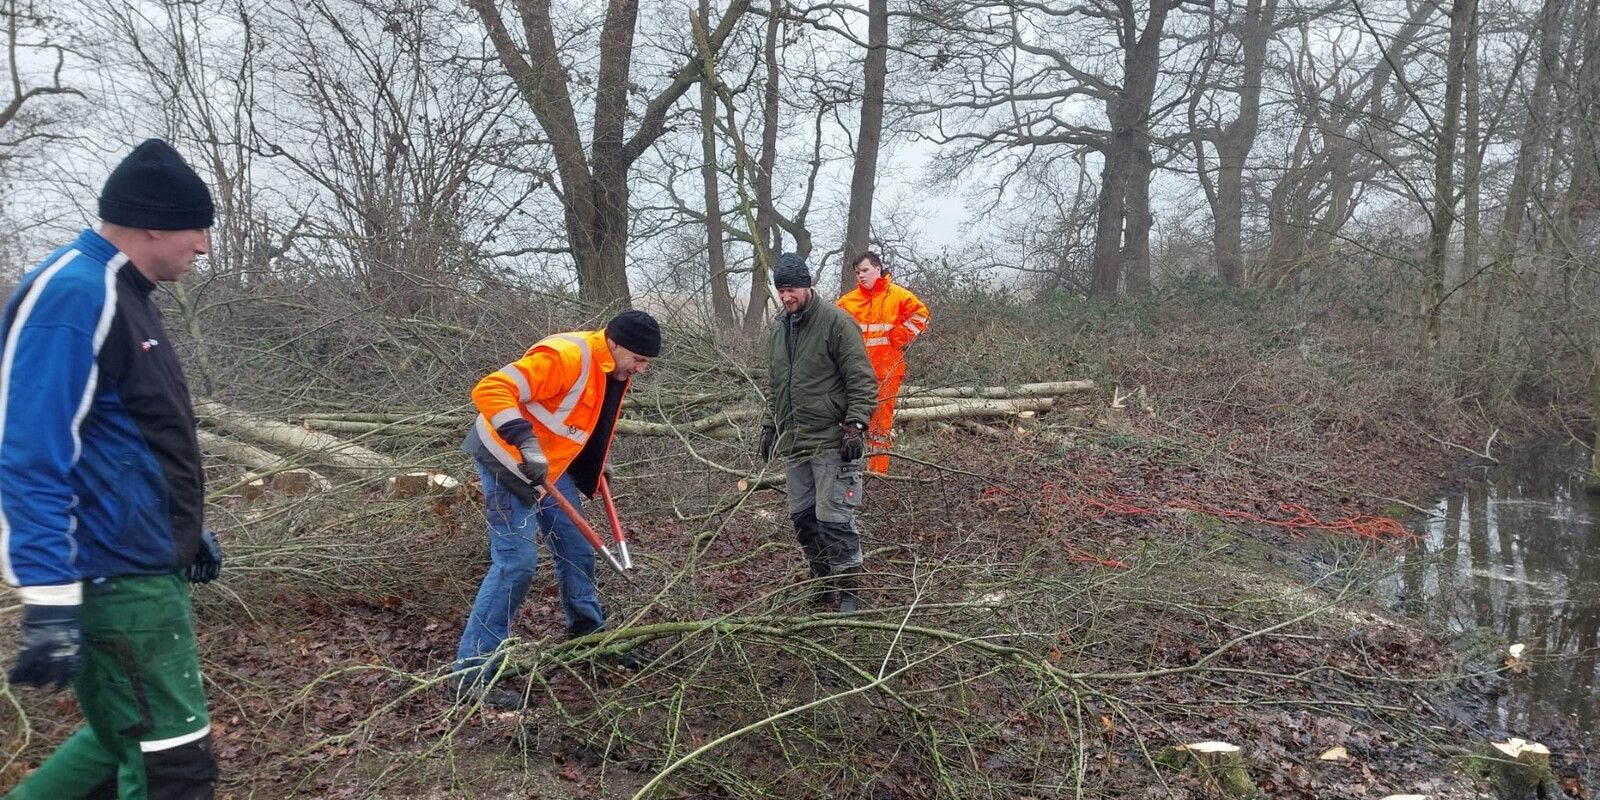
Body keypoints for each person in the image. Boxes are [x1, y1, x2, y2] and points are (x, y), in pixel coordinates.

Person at [2, 139, 224, 799]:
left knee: (115, 741)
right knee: (171, 767)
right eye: (198, 227)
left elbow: (132, 437)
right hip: (113, 576)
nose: (205, 246)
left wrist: (183, 529)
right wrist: (47, 596)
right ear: (153, 222)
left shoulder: (127, 294)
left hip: (140, 562)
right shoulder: (75, 294)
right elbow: (30, 451)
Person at [451, 310, 661, 709]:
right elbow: (491, 388)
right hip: (506, 460)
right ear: (615, 344)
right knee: (516, 563)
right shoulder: (567, 356)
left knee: (577, 547)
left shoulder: (612, 367)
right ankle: (470, 673)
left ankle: (587, 636)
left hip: (551, 464)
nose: (642, 370)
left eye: (646, 363)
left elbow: (578, 417)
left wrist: (595, 459)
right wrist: (526, 445)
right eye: (639, 360)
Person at [758, 253, 878, 613]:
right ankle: (823, 583)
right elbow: (777, 383)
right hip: (795, 439)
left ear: (807, 285)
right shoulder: (780, 328)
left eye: (791, 289)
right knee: (803, 519)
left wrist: (856, 425)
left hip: (832, 440)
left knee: (835, 519)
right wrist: (769, 423)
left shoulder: (837, 323)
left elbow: (861, 378)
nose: (786, 297)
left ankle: (850, 592)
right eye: (781, 290)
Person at [835, 250, 929, 475]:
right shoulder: (848, 301)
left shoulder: (897, 295)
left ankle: (878, 474)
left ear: (878, 269)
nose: (861, 276)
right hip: (854, 373)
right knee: (849, 421)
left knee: (879, 427)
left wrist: (898, 337)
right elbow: (832, 328)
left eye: (865, 270)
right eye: (858, 272)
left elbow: (921, 315)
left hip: (886, 371)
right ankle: (847, 469)